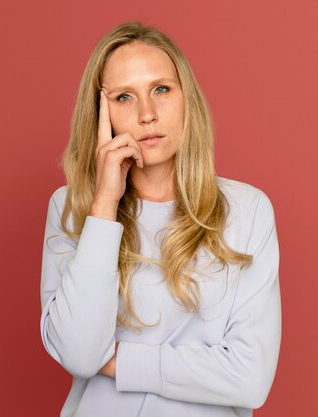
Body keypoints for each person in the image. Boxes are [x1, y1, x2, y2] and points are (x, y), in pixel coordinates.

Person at [39, 21, 281, 417]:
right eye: (123, 97)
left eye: (161, 89)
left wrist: (121, 363)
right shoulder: (72, 207)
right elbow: (80, 355)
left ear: (187, 99)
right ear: (101, 114)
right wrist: (104, 206)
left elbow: (250, 378)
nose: (147, 114)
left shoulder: (247, 210)